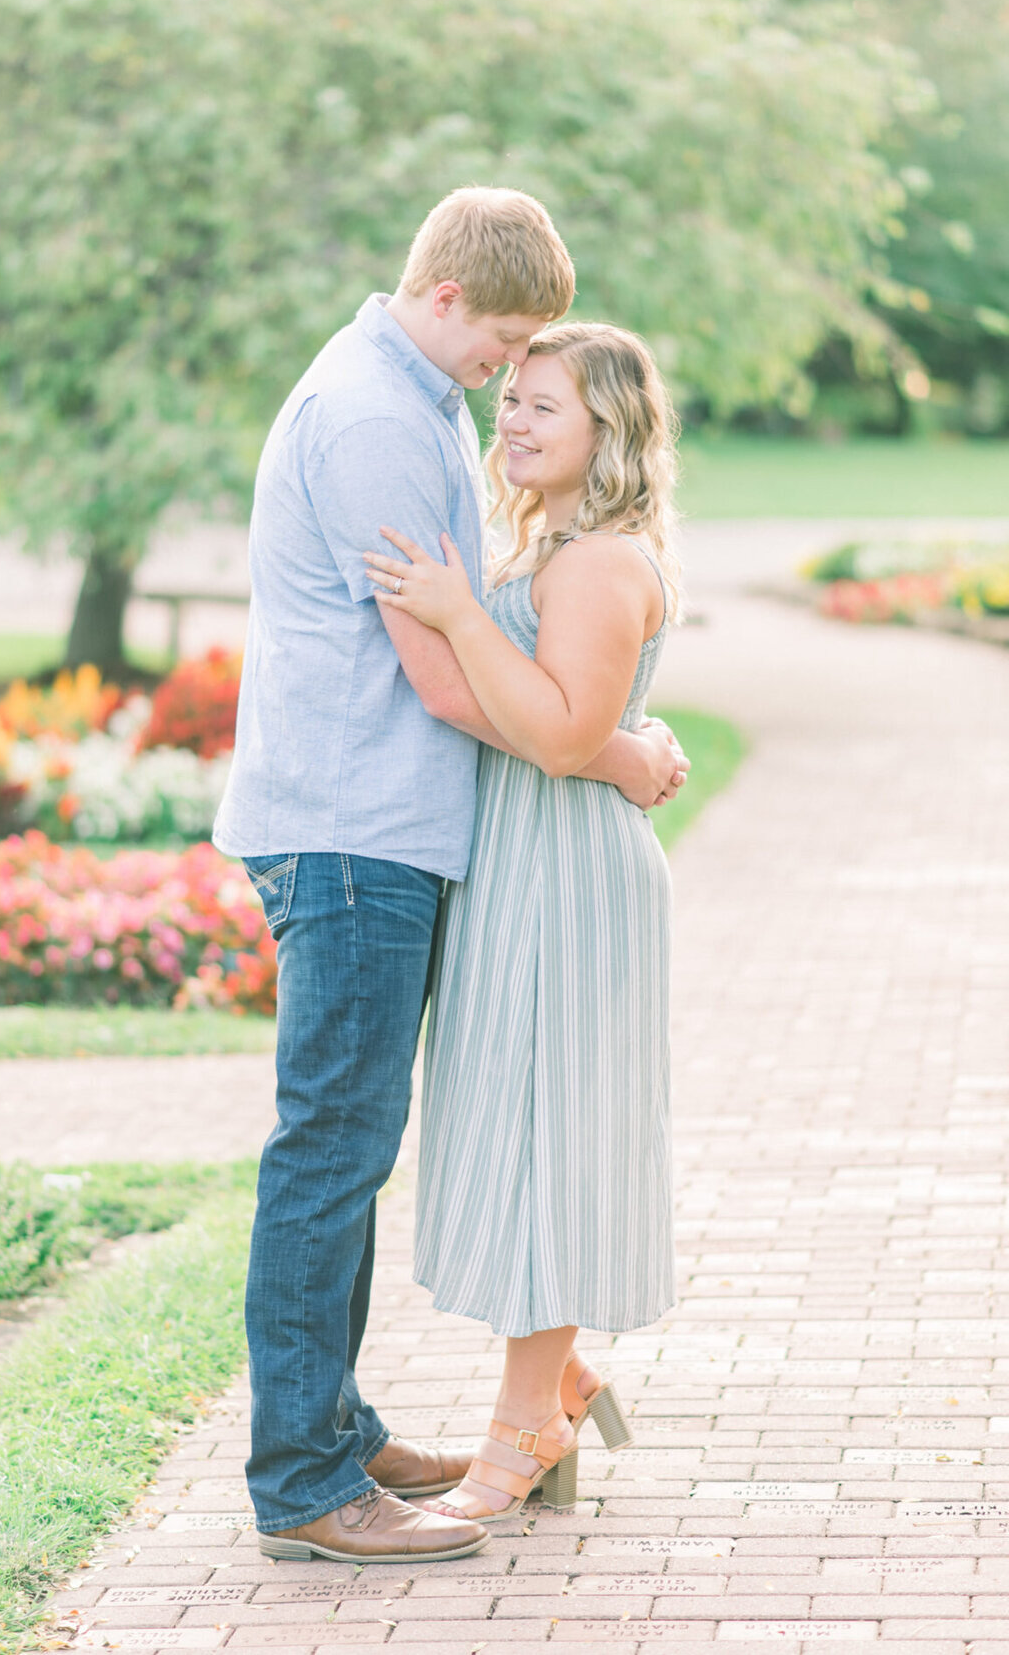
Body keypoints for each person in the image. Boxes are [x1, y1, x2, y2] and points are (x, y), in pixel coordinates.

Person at [213, 190, 687, 1564]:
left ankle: (345, 1428)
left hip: (401, 834)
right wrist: (612, 756)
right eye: (506, 351)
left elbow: (510, 652)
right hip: (353, 829)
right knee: (333, 1150)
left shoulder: (407, 397)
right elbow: (439, 671)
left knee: (353, 1147)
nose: (506, 385)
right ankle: (307, 1477)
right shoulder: (375, 416)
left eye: (540, 379)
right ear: (444, 301)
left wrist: (590, 738)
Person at [362, 319, 679, 1521]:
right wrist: (630, 751)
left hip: (571, 883)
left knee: (548, 1145)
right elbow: (575, 733)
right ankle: (560, 1379)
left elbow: (554, 734)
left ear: (610, 429)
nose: (516, 421)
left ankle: (520, 1430)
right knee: (511, 1128)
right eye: (513, 402)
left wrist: (455, 610)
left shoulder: (599, 563)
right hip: (515, 868)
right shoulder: (549, 544)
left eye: (546, 406)